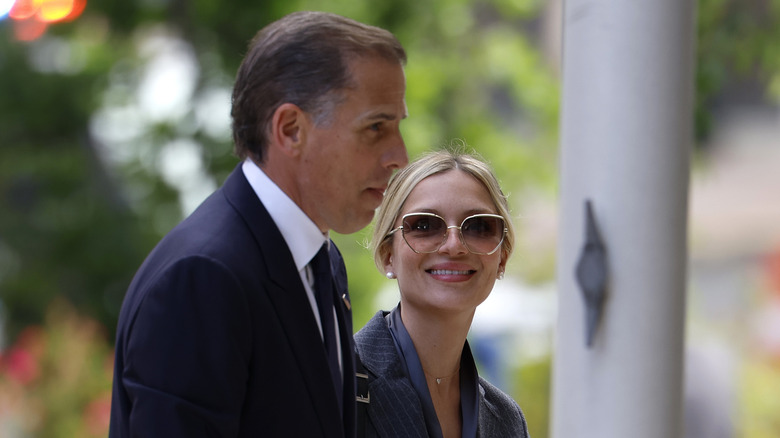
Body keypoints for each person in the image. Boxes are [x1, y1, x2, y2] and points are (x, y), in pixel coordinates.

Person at [109, 11, 409, 438]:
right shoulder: (202, 278)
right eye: (376, 127)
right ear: (290, 130)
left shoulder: (323, 263)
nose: (400, 155)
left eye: (398, 126)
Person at [354, 149, 530, 437]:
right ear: (388, 255)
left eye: (478, 226)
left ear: (502, 257)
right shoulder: (334, 384)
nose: (454, 245)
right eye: (425, 225)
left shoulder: (508, 421)